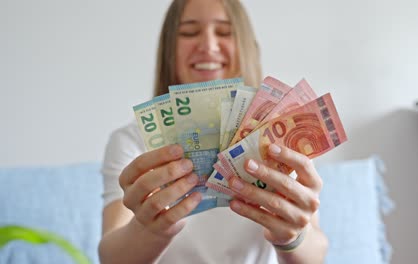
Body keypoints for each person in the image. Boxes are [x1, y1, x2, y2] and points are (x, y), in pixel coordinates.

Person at [98, 0, 328, 263]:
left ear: (245, 46)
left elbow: (315, 253)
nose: (207, 45)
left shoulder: (280, 134)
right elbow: (111, 257)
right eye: (189, 32)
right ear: (169, 51)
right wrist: (149, 229)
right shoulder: (131, 140)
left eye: (224, 31)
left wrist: (294, 236)